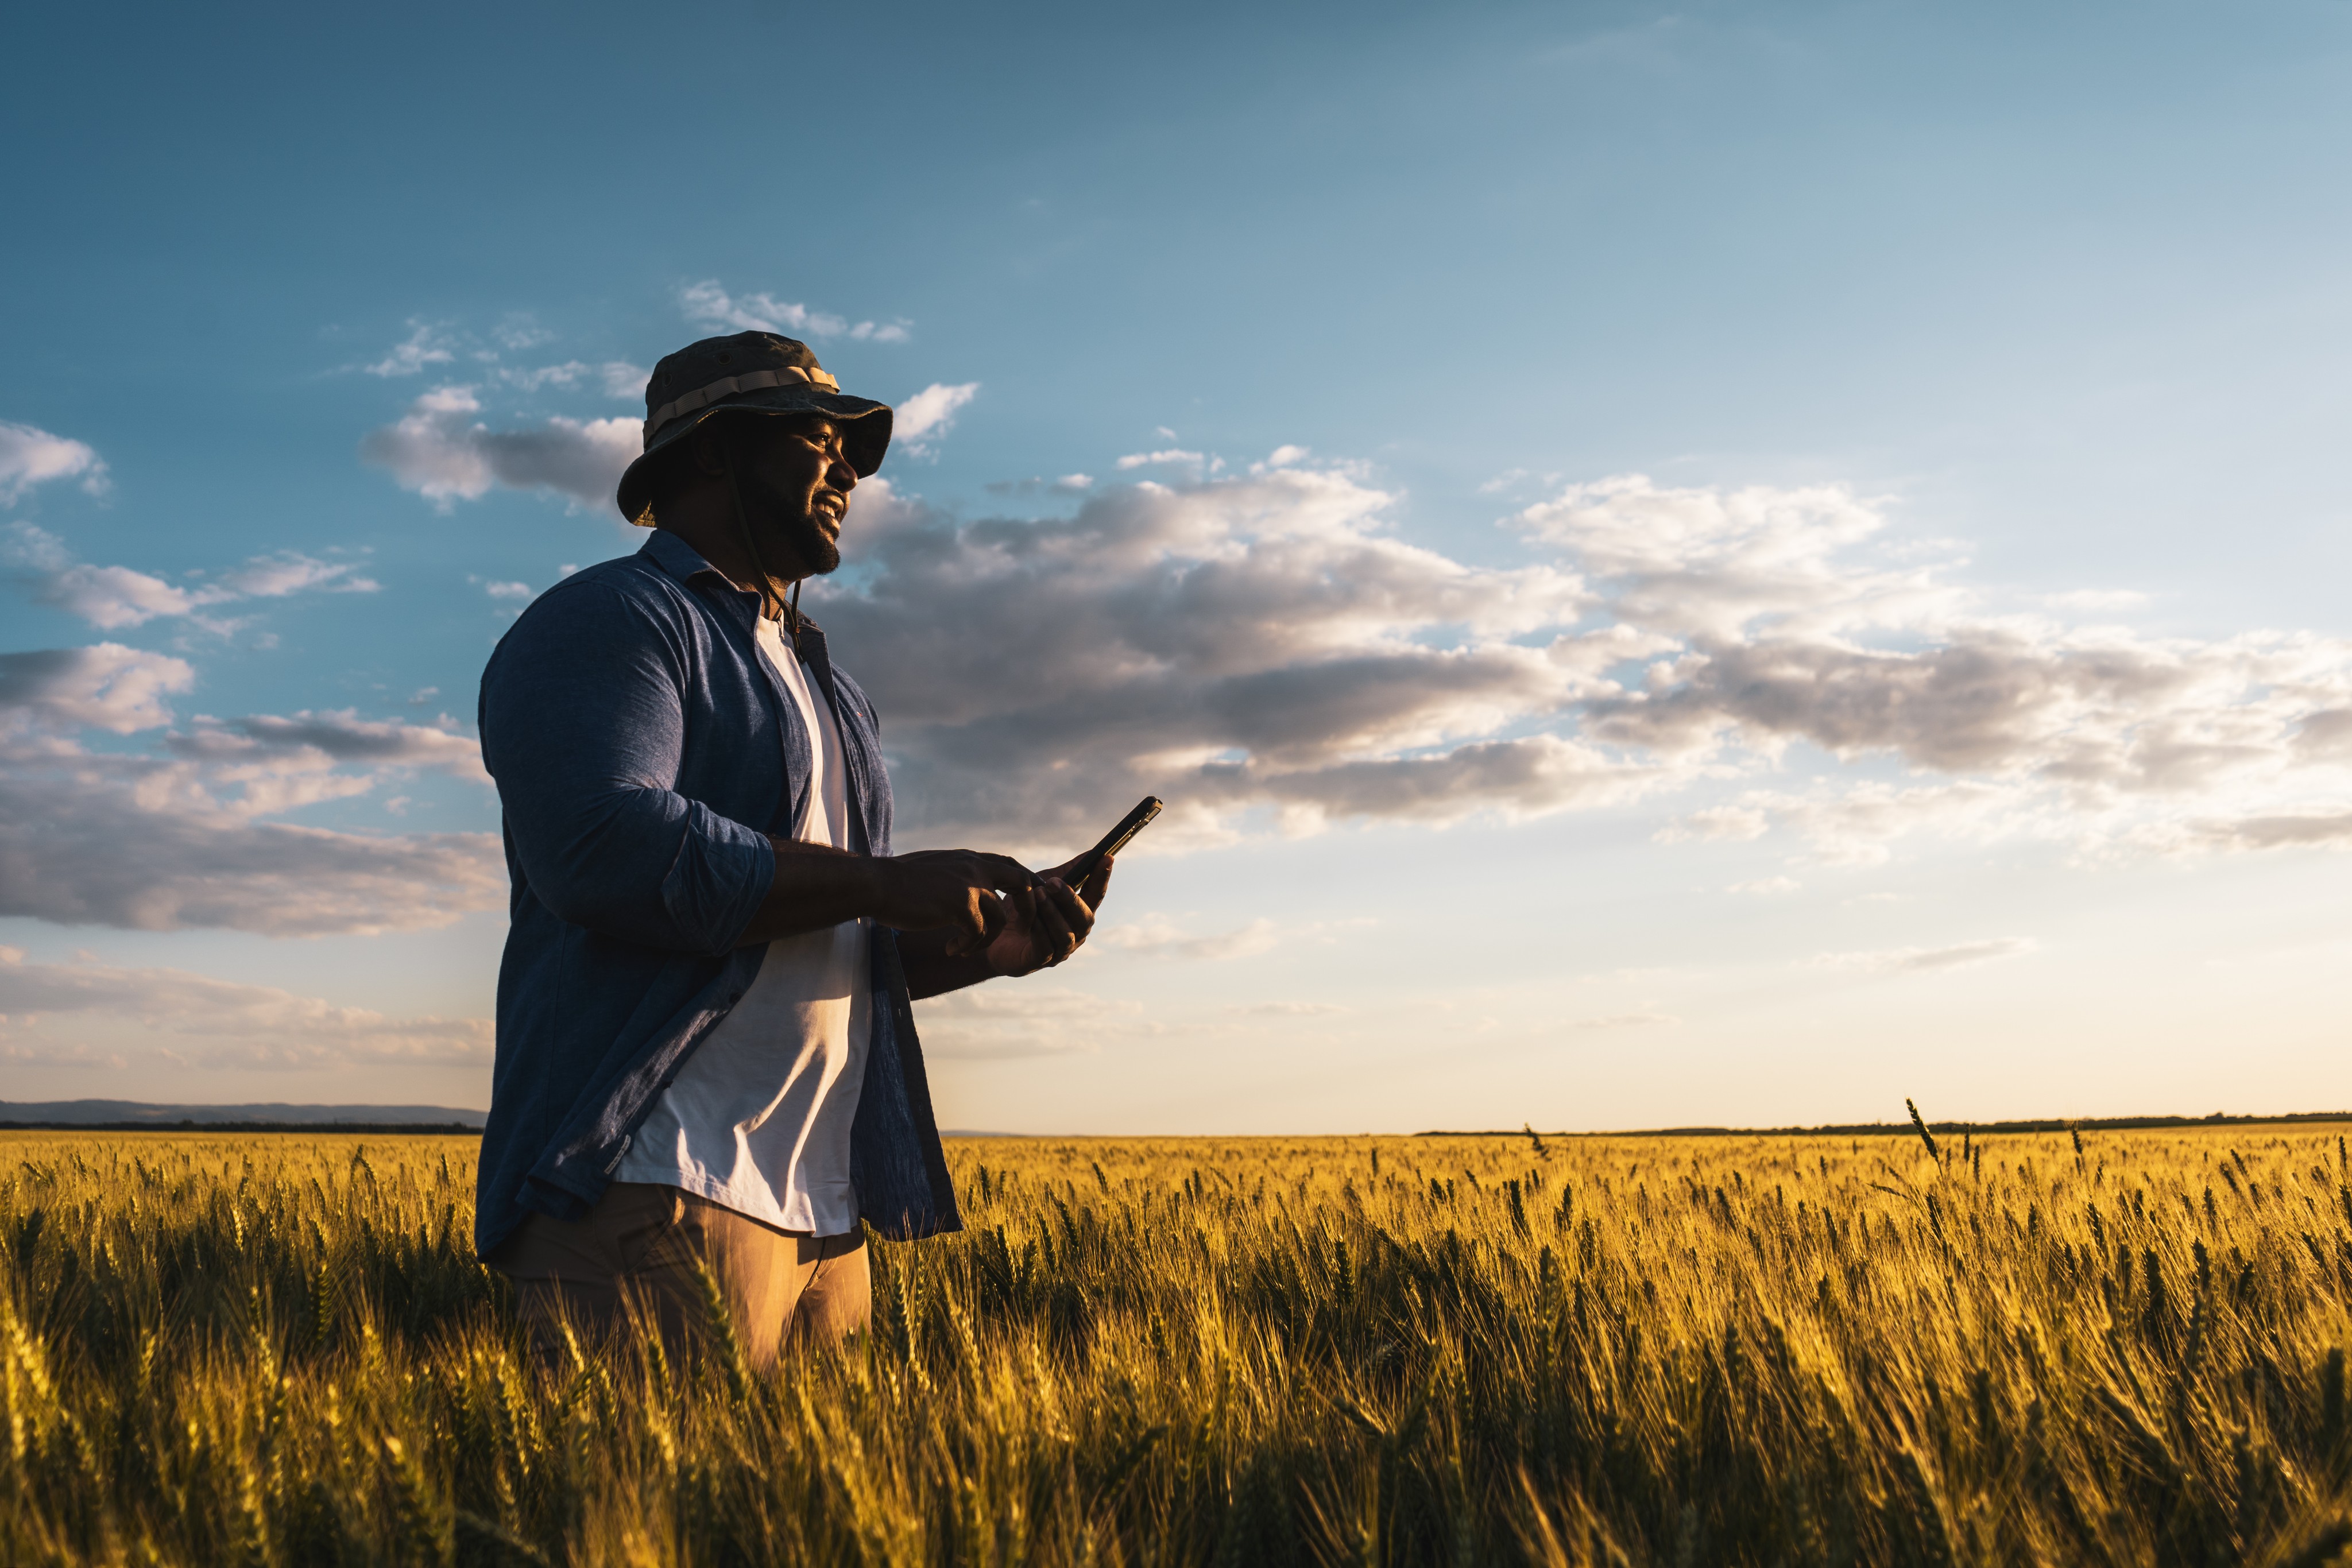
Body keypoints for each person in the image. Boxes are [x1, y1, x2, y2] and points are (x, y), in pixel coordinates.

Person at [473, 331, 1111, 1369]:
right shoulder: (611, 621)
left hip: (823, 1208)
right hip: (659, 1178)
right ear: (720, 449)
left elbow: (827, 950)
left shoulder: (827, 686)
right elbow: (601, 845)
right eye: (821, 440)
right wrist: (885, 883)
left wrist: (988, 946)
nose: (851, 472)